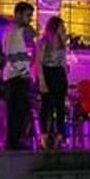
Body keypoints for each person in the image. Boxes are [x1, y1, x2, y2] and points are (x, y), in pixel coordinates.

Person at [2, 1, 36, 150]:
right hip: (16, 76)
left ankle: (14, 140)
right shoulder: (14, 32)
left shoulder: (13, 31)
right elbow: (13, 55)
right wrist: (25, 72)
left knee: (17, 111)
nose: (30, 19)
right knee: (17, 111)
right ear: (18, 14)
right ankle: (13, 141)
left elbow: (16, 54)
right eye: (28, 15)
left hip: (14, 75)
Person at [36, 16, 68, 150]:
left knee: (60, 107)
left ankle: (59, 136)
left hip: (59, 73)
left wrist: (65, 73)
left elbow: (63, 61)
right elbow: (39, 62)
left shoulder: (62, 42)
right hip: (48, 72)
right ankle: (44, 136)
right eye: (61, 26)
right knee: (46, 106)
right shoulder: (44, 41)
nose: (63, 29)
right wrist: (42, 80)